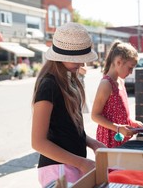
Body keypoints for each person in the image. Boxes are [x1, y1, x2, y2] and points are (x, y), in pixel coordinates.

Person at [31, 22, 106, 187]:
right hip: (57, 171)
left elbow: (68, 129)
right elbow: (38, 142)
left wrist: (93, 143)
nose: (81, 64)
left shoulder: (68, 81)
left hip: (72, 165)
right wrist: (81, 163)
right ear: (61, 57)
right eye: (77, 60)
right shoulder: (48, 85)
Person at [91, 40, 143, 148]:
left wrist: (132, 122)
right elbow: (95, 116)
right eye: (130, 68)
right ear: (118, 62)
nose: (131, 72)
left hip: (121, 135)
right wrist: (118, 128)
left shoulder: (120, 81)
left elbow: (119, 113)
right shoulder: (106, 84)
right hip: (110, 138)